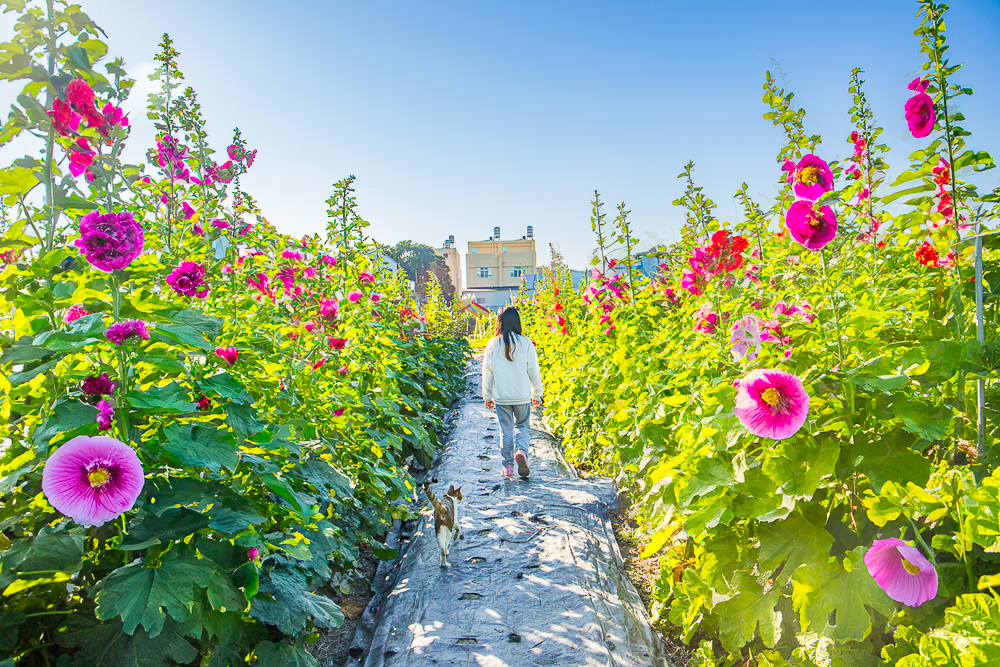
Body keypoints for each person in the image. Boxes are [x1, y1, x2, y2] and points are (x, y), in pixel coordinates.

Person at [482, 306, 543, 478]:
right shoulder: (526, 343)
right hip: (522, 396)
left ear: (499, 322)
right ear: (517, 322)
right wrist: (536, 393)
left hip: (502, 397)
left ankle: (507, 467)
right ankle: (521, 451)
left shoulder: (493, 344)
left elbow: (487, 372)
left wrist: (487, 396)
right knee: (523, 426)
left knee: (506, 430)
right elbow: (534, 370)